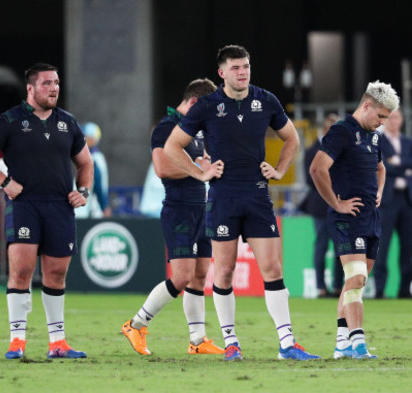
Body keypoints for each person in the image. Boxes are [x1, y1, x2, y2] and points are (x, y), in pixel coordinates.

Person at [164, 45, 319, 361]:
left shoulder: (266, 100)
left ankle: (287, 343)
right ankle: (231, 343)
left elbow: (292, 138)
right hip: (223, 198)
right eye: (235, 67)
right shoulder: (207, 106)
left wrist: (280, 170)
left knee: (273, 268)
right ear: (222, 73)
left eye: (246, 66)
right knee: (224, 272)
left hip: (259, 196)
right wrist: (201, 173)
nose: (243, 72)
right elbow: (172, 146)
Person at [0, 63, 93, 359]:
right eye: (47, 83)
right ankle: (17, 341)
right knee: (22, 271)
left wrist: (84, 191)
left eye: (57, 83)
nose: (54, 88)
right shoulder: (10, 120)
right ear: (31, 88)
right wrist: (4, 182)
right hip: (25, 206)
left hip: (60, 207)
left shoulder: (68, 122)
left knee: (56, 273)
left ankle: (58, 343)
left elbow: (85, 163)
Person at [121, 78, 224, 356]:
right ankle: (136, 324)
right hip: (178, 209)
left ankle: (198, 340)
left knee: (200, 275)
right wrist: (200, 170)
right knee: (181, 277)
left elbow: (202, 162)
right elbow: (162, 167)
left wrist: (208, 165)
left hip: (201, 208)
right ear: (193, 103)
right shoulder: (166, 128)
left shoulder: (196, 131)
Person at [310, 80, 399, 359]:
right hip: (346, 218)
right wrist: (336, 203)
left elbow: (380, 168)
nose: (383, 123)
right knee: (357, 278)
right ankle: (358, 342)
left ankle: (341, 344)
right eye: (381, 116)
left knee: (354, 284)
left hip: (370, 217)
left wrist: (380, 192)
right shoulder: (341, 131)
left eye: (387, 118)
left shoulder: (374, 136)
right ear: (367, 105)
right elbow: (317, 168)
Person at [300, 113, 343, 297]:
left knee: (340, 248)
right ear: (325, 130)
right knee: (322, 246)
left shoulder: (341, 150)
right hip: (320, 206)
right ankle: (321, 287)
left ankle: (338, 287)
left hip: (339, 205)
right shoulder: (312, 151)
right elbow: (311, 180)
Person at [373, 109, 412, 299]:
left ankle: (405, 289)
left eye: (397, 117)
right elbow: (382, 167)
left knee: (408, 248)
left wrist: (397, 163)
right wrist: (405, 168)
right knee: (382, 246)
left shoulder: (407, 142)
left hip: (406, 200)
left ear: (402, 120)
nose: (394, 121)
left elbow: (394, 165)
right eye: (391, 118)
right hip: (387, 201)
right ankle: (379, 289)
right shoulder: (378, 140)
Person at [75, 122, 112, 218]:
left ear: (92, 139)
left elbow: (98, 185)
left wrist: (104, 206)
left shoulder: (94, 158)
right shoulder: (86, 156)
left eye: (85, 136)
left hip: (90, 210)